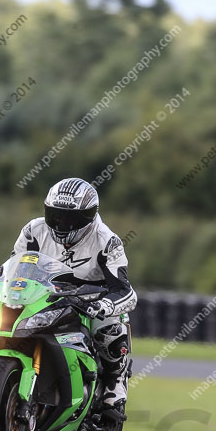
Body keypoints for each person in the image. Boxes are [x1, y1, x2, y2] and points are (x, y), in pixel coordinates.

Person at [12, 178, 137, 416]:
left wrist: (102, 306)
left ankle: (115, 382)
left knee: (109, 329)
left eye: (71, 219)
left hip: (89, 299)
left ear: (89, 217)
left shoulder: (107, 241)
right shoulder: (34, 231)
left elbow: (125, 292)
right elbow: (14, 267)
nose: (62, 224)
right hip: (46, 294)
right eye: (56, 216)